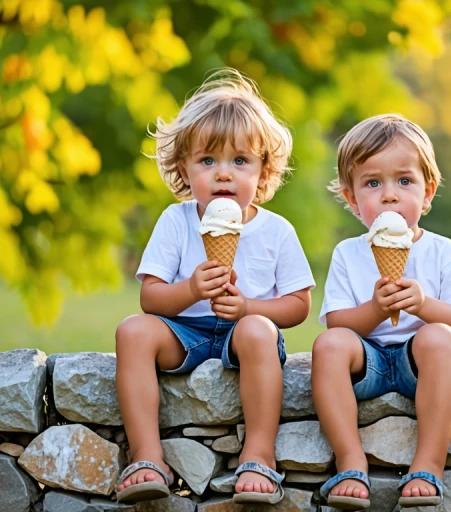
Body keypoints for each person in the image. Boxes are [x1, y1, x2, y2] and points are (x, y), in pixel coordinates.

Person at [114, 68, 314, 504]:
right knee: (131, 330)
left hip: (245, 335)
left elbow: (299, 305)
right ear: (184, 168)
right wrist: (190, 290)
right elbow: (150, 297)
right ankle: (147, 455)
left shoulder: (277, 230)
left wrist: (249, 308)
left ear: (263, 172)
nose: (223, 174)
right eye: (208, 161)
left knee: (259, 330)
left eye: (240, 161)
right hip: (184, 333)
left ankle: (259, 452)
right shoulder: (177, 220)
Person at [313, 114, 451, 509]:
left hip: (422, 363)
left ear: (427, 192)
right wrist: (373, 310)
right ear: (352, 199)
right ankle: (350, 460)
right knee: (330, 345)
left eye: (404, 181)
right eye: (373, 183)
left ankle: (428, 464)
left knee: (438, 336)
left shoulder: (443, 252)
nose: (389, 195)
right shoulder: (348, 253)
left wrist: (424, 306)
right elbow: (338, 322)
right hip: (367, 361)